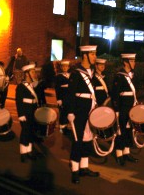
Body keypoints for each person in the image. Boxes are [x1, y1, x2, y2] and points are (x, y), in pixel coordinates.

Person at [67, 45, 100, 184]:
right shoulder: (76, 73)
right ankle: (75, 170)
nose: (95, 57)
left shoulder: (91, 72)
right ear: (85, 55)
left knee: (88, 138)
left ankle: (84, 167)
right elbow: (70, 95)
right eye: (92, 54)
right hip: (79, 111)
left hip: (90, 109)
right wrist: (70, 112)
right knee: (77, 140)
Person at [112, 53, 139, 166]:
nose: (134, 63)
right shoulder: (119, 76)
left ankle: (126, 152)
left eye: (134, 61)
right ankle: (119, 154)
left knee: (129, 130)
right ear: (125, 62)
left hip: (131, 106)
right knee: (121, 130)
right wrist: (116, 109)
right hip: (123, 107)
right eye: (131, 61)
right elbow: (115, 94)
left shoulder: (132, 75)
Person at [15, 63, 39, 162]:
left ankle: (29, 151)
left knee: (30, 132)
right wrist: (21, 115)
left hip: (32, 111)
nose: (34, 74)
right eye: (32, 72)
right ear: (27, 74)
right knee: (25, 132)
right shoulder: (21, 87)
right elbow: (18, 102)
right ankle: (23, 153)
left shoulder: (32, 86)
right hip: (25, 113)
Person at [55, 60, 71, 134]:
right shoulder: (59, 76)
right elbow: (57, 88)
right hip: (63, 96)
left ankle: (67, 126)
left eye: (66, 66)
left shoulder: (70, 75)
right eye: (63, 66)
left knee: (68, 111)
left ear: (68, 67)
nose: (65, 68)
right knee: (63, 112)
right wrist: (59, 99)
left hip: (69, 97)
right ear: (61, 67)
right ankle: (62, 126)